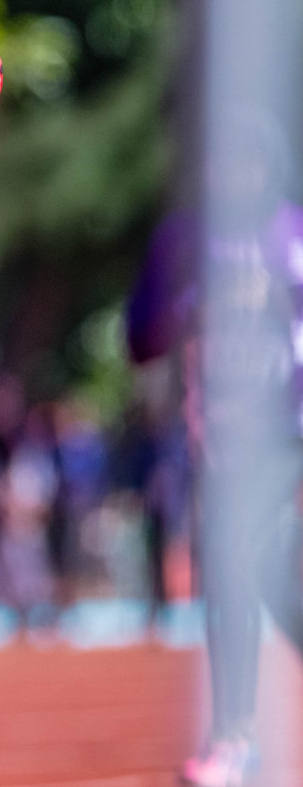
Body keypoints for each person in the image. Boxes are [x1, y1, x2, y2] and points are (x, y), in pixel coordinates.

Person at [128, 204, 303, 787]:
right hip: (218, 445)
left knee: (251, 571)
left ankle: (236, 736)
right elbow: (141, 336)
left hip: (284, 439)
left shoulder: (289, 230)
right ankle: (234, 737)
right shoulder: (185, 234)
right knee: (248, 578)